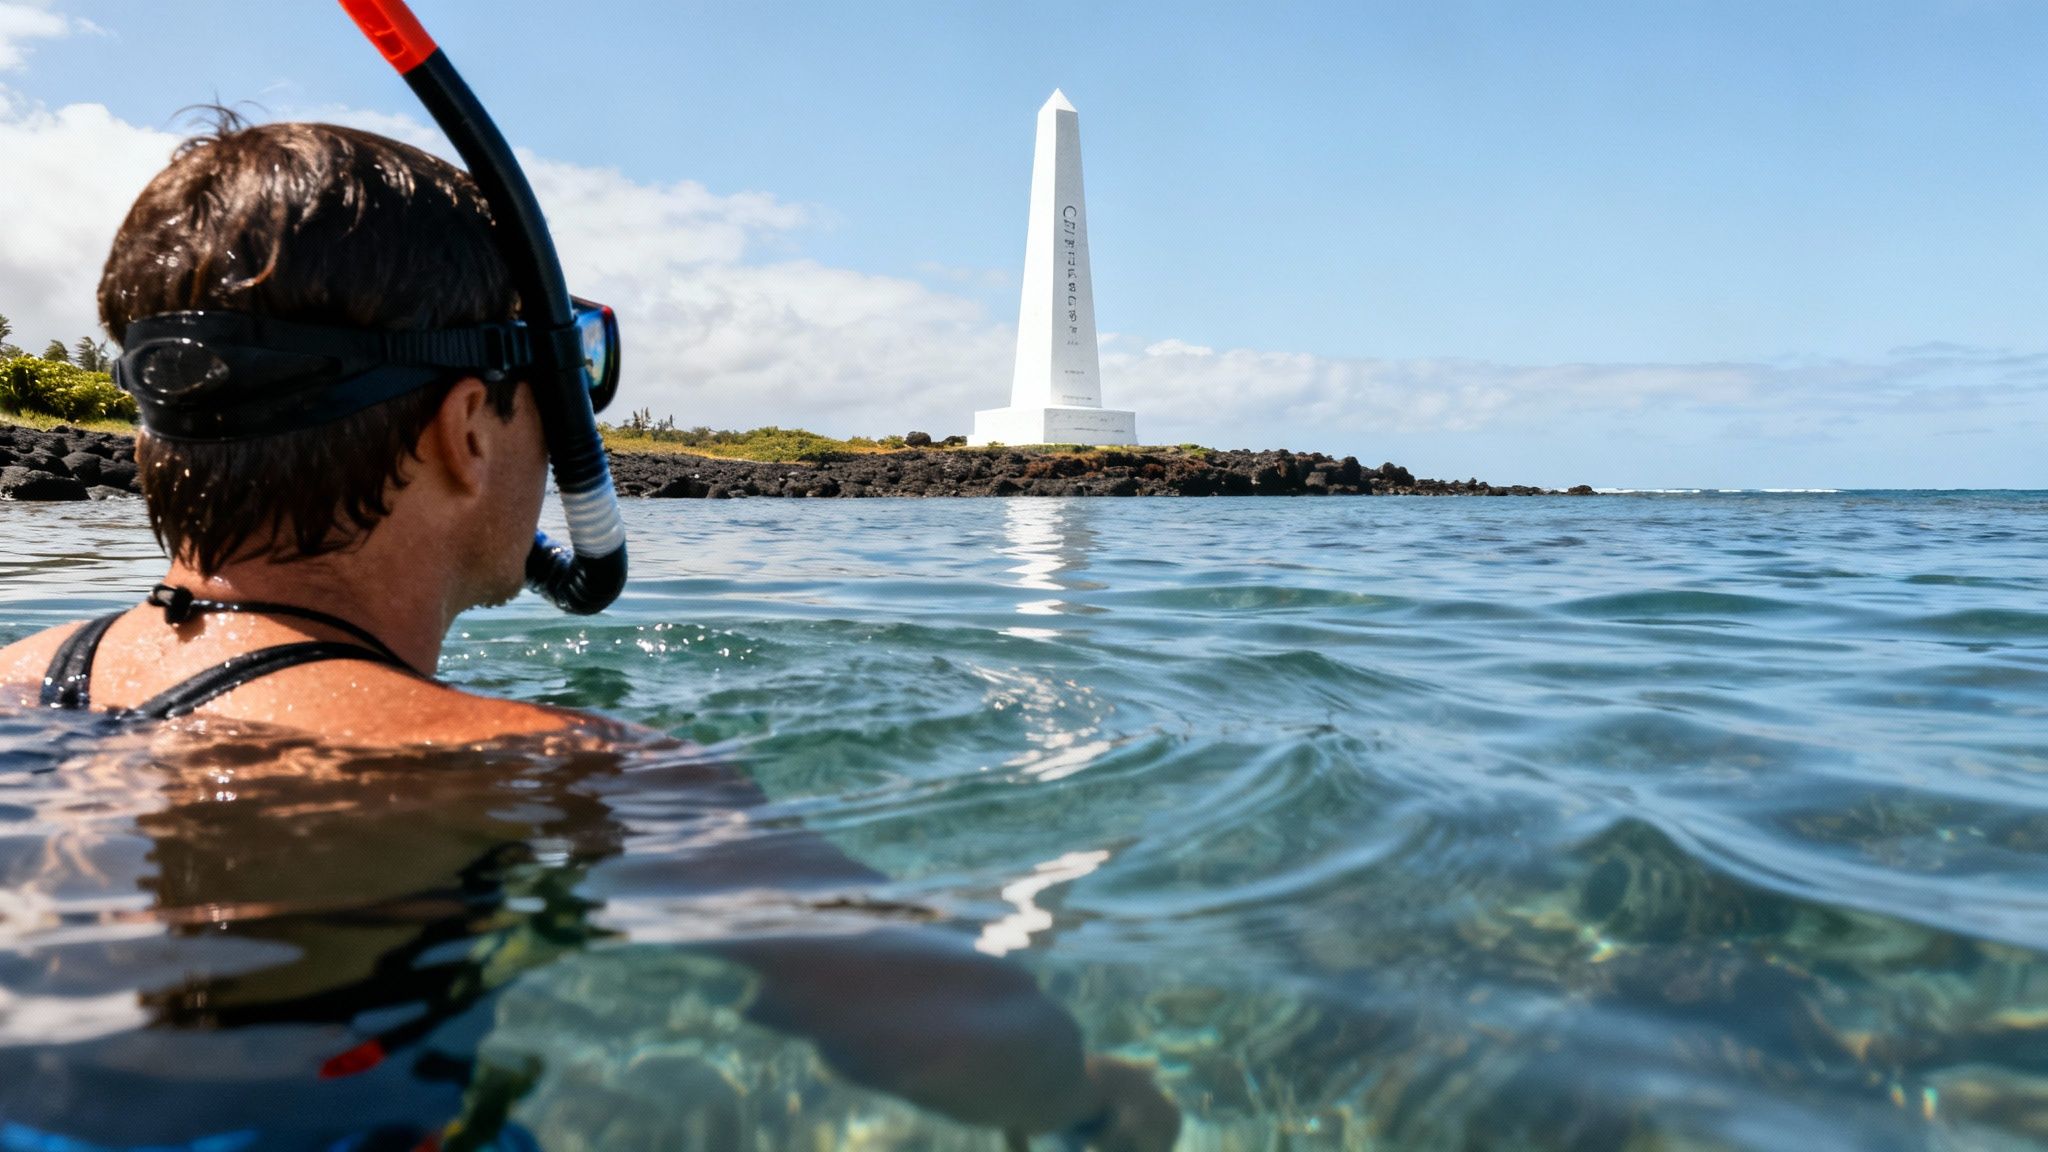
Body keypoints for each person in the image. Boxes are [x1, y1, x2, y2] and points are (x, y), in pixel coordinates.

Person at [0, 118, 1177, 1150]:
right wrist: (1086, 1098)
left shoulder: (14, 683)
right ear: (468, 428)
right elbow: (962, 1044)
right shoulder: (553, 773)